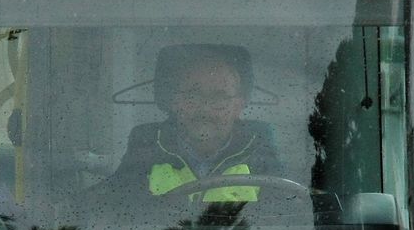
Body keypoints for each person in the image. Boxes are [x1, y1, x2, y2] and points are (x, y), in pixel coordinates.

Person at [106, 44, 284, 203]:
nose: (205, 108)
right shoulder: (145, 150)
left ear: (238, 105)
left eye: (219, 96)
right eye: (193, 94)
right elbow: (111, 214)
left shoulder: (262, 157)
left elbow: (289, 222)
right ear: (175, 101)